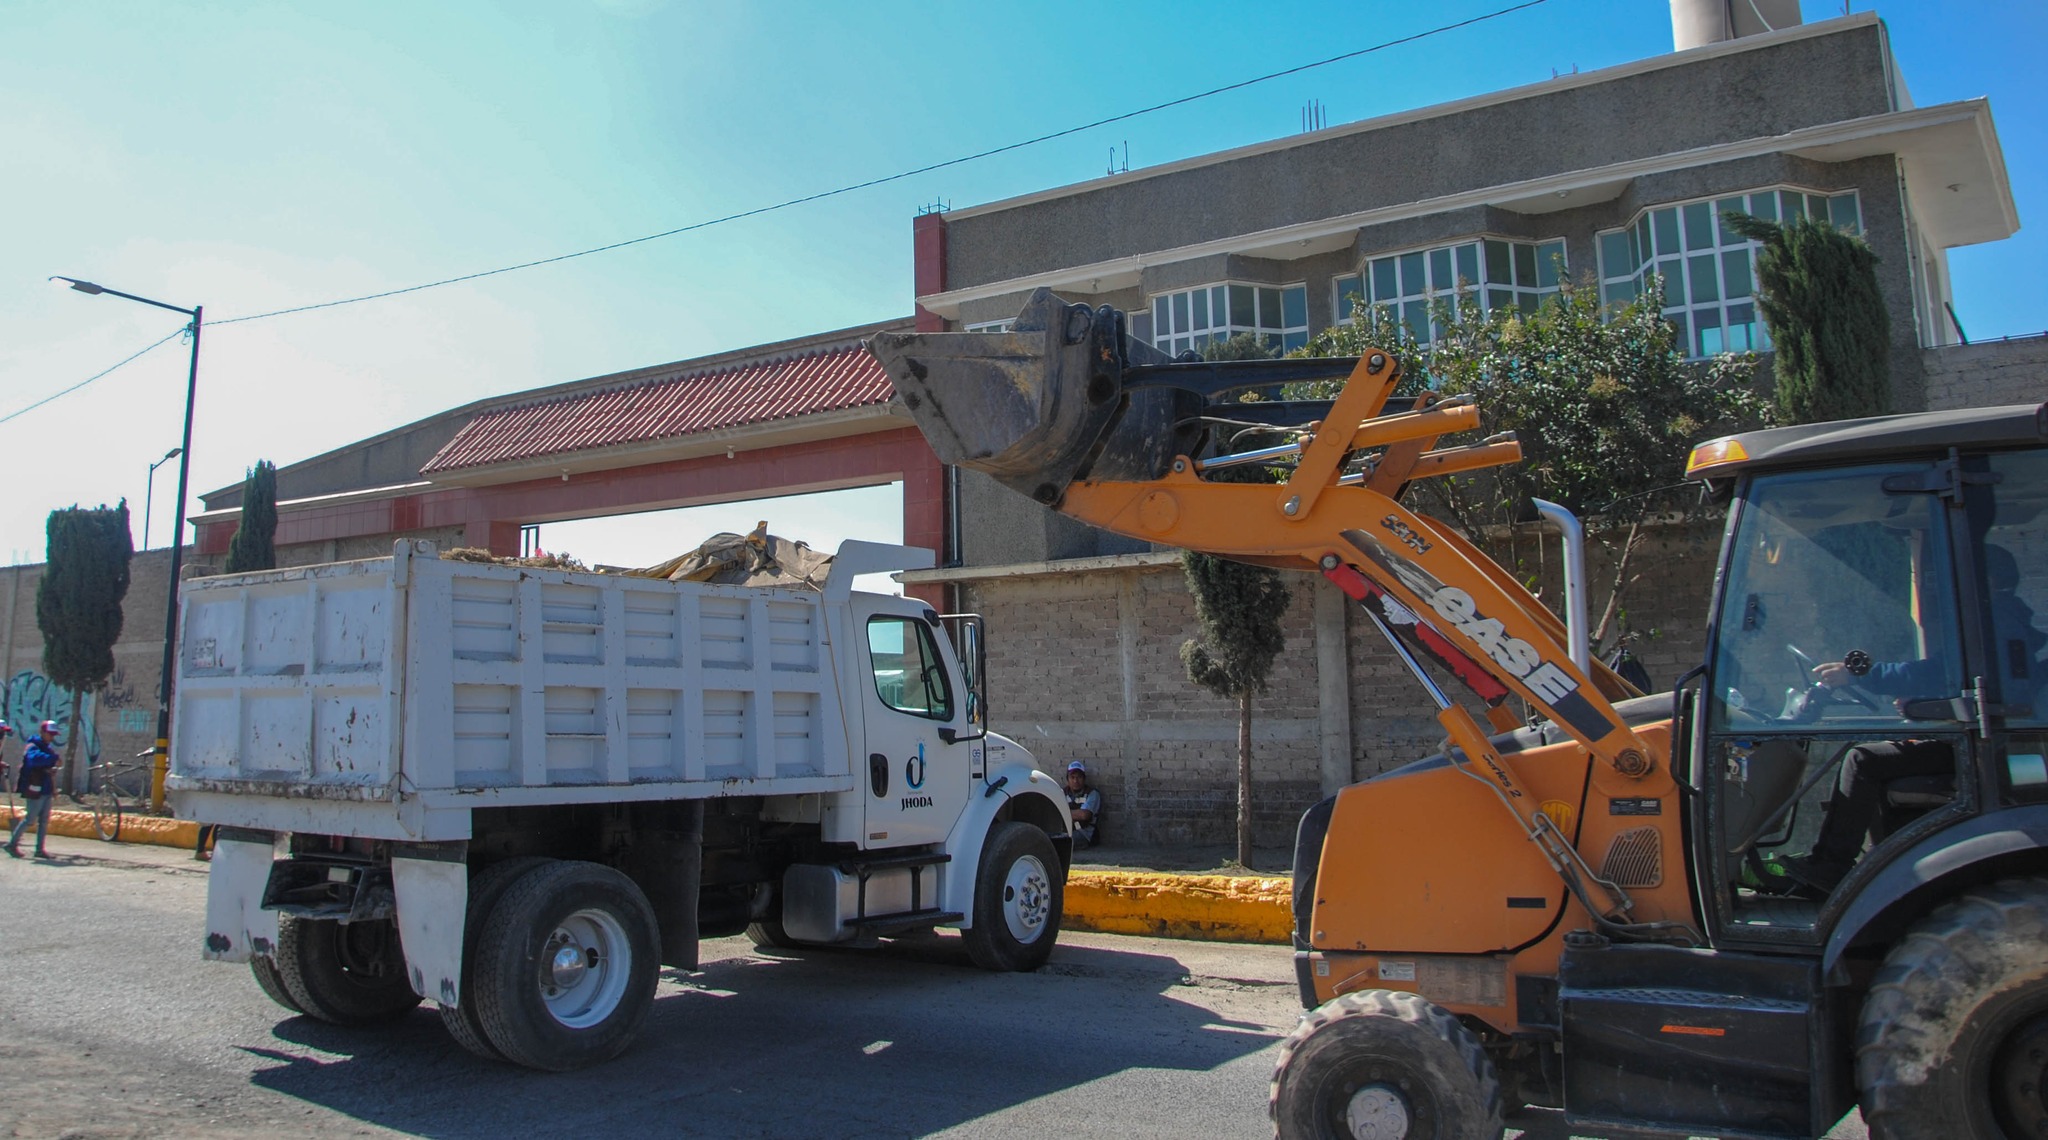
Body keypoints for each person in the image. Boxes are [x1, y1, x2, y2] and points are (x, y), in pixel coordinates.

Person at [1789, 544, 2044, 893]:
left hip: (1985, 750)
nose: (1938, 588)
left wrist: (1863, 676)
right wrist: (1920, 704)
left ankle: (1831, 867)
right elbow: (1959, 679)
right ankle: (1874, 863)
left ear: (1985, 578)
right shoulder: (2006, 620)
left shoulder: (1994, 622)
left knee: (1863, 760)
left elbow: (1941, 672)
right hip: (1989, 742)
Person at [7, 721, 61, 859]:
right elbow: (35, 760)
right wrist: (54, 759)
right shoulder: (33, 746)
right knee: (30, 819)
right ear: (42, 732)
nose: (52, 737)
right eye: (50, 734)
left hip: (46, 788)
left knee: (44, 820)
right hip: (35, 788)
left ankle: (40, 849)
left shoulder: (47, 748)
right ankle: (12, 844)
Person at [1063, 761, 1101, 849]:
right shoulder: (1062, 793)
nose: (1075, 781)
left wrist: (1061, 813)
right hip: (1067, 830)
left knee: (1062, 842)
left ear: (1084, 779)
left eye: (1079, 777)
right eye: (1072, 777)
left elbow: (1084, 815)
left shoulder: (1092, 794)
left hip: (1084, 833)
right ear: (1067, 779)